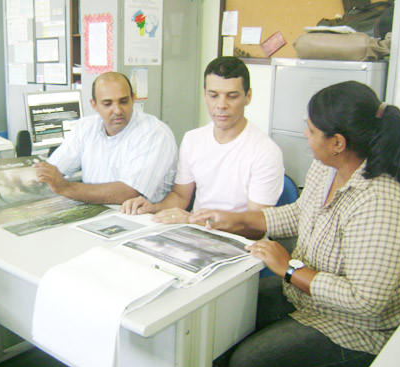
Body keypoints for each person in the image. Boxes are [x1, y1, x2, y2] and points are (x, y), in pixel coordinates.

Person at [190, 81, 400, 367]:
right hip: (305, 297)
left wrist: (289, 268)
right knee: (219, 312)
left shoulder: (380, 201)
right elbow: (300, 213)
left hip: (356, 329)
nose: (306, 134)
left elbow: (365, 302)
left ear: (338, 143)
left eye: (312, 130)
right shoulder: (327, 166)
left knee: (248, 363)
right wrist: (237, 219)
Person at [120, 57, 284, 239]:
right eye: (214, 95)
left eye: (232, 96)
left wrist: (195, 221)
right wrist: (153, 208)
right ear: (204, 94)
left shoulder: (266, 152)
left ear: (248, 96)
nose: (221, 105)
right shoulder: (193, 139)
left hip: (241, 244)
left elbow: (257, 228)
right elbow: (181, 196)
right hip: (196, 234)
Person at [35, 72, 177, 204]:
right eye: (107, 104)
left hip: (141, 218)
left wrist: (66, 187)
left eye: (123, 101)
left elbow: (129, 193)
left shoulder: (154, 133)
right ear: (94, 105)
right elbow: (53, 170)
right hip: (96, 211)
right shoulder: (85, 127)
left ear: (133, 99)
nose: (117, 110)